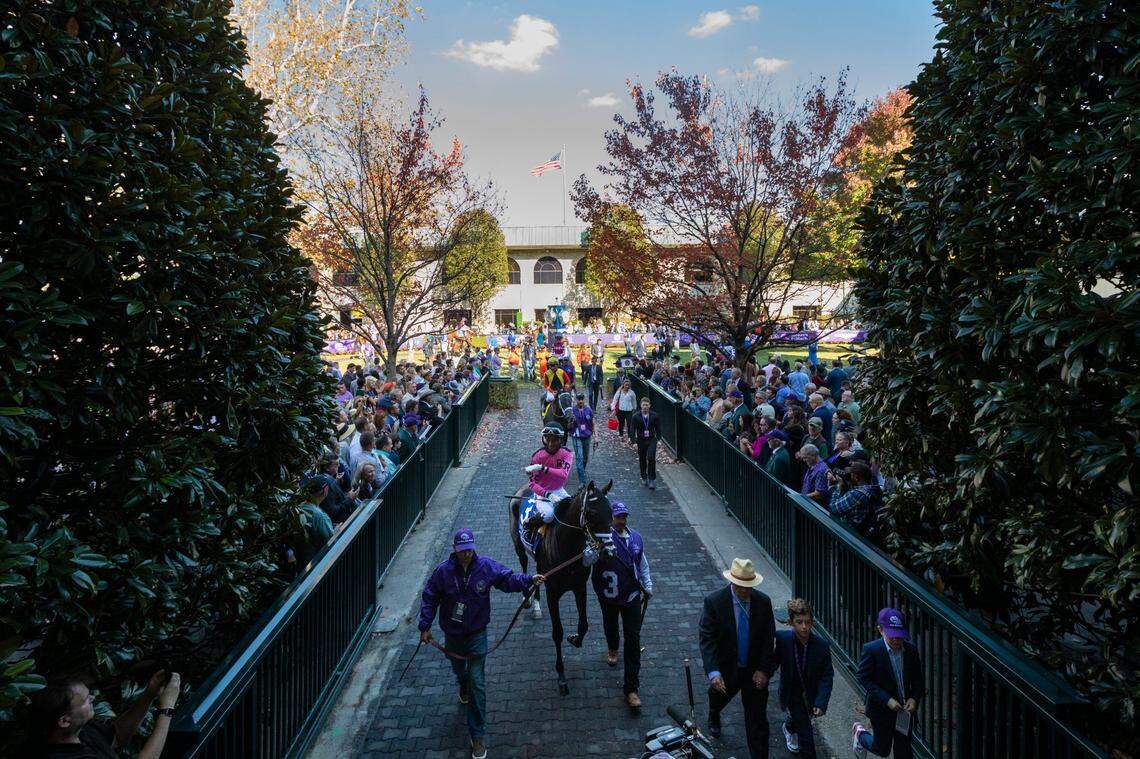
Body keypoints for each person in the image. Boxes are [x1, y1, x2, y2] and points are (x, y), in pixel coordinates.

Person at [419, 529, 545, 759]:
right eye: (462, 550)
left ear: (473, 547)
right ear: (455, 551)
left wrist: (529, 579)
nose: (466, 554)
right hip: (453, 636)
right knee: (461, 671)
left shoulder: (485, 567)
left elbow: (507, 579)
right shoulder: (443, 573)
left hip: (477, 634)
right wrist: (425, 626)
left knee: (477, 683)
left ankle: (477, 736)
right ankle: (462, 682)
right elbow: (430, 597)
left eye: (469, 549)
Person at [699, 557, 776, 759]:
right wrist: (714, 672)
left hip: (753, 672)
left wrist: (764, 669)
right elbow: (707, 639)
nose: (744, 591)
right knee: (717, 698)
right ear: (732, 582)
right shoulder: (714, 602)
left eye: (748, 587)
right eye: (740, 586)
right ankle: (713, 714)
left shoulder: (763, 602)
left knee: (757, 722)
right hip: (727, 668)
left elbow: (769, 640)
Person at [28, 671, 182, 759]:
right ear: (64, 721)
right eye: (85, 700)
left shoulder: (81, 731)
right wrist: (166, 709)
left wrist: (149, 695)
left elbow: (118, 736)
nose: (92, 699)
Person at [590, 501, 653, 708]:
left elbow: (641, 563)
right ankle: (612, 648)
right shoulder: (601, 539)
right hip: (608, 597)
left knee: (633, 640)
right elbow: (586, 562)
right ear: (611, 519)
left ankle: (631, 688)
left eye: (624, 516)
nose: (621, 520)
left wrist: (648, 584)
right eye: (617, 517)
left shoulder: (636, 538)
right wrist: (591, 551)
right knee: (610, 625)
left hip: (632, 596)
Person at [853, 608, 926, 759]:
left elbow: (918, 680)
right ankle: (860, 734)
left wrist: (914, 698)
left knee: (904, 750)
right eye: (892, 636)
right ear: (880, 630)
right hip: (881, 711)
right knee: (882, 749)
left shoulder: (911, 651)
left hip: (904, 711)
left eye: (899, 636)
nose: (896, 640)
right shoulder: (872, 650)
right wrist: (887, 699)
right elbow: (863, 678)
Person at [772, 598, 834, 758]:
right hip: (792, 692)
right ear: (790, 622)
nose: (804, 627)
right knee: (806, 734)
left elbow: (827, 676)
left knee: (799, 719)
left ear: (812, 622)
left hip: (810, 693)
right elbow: (773, 662)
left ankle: (789, 727)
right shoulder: (783, 640)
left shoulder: (822, 645)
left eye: (807, 622)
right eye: (799, 622)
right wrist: (762, 675)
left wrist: (821, 701)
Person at [523, 424, 574, 532]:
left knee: (572, 511)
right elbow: (532, 484)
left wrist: (541, 468)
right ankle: (530, 523)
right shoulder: (537, 456)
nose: (551, 443)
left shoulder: (567, 454)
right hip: (543, 493)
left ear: (561, 440)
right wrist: (547, 494)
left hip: (559, 490)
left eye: (555, 440)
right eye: (548, 439)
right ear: (543, 439)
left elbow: (563, 474)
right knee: (549, 515)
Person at [826, 461, 880, 534]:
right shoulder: (872, 489)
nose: (849, 477)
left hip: (849, 534)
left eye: (850, 475)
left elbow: (833, 508)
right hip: (860, 533)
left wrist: (839, 486)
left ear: (856, 477)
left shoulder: (857, 494)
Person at [297, 476, 335, 567]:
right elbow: (330, 540)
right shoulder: (319, 516)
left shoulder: (299, 507)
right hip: (316, 563)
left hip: (301, 560)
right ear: (326, 490)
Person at [632, 397, 661, 489]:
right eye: (643, 405)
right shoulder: (636, 416)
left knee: (651, 458)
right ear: (641, 406)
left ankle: (651, 479)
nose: (645, 407)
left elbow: (658, 428)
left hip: (651, 439)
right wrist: (633, 440)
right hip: (641, 440)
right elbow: (632, 429)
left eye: (646, 405)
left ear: (649, 406)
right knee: (642, 458)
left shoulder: (654, 416)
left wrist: (659, 439)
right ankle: (644, 476)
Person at [568, 392, 595, 483]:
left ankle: (581, 471)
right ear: (576, 400)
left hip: (587, 436)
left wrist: (597, 437)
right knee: (579, 457)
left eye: (582, 399)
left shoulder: (589, 410)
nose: (580, 401)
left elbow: (593, 423)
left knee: (585, 458)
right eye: (579, 399)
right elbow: (568, 427)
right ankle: (582, 482)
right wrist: (571, 422)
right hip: (576, 436)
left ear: (584, 399)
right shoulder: (572, 411)